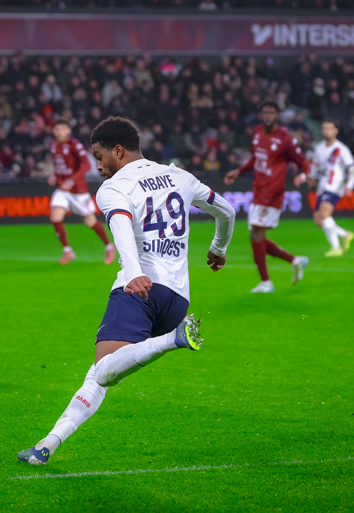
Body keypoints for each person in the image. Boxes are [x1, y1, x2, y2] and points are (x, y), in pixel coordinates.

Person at [17, 117, 236, 465]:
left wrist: (133, 272)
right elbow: (227, 210)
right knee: (99, 374)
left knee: (103, 371)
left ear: (118, 150)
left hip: (140, 292)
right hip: (177, 298)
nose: (97, 164)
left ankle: (173, 340)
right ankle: (47, 444)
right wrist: (219, 248)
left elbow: (120, 226)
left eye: (99, 155)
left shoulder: (114, 187)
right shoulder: (180, 176)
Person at [224, 101, 310, 293]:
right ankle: (294, 260)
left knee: (255, 234)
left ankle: (266, 282)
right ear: (261, 115)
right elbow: (256, 158)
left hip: (273, 192)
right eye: (265, 112)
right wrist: (238, 171)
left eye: (272, 112)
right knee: (257, 237)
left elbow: (302, 161)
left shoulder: (285, 138)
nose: (268, 115)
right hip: (259, 190)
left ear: (277, 115)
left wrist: (305, 176)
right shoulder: (257, 132)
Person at [48, 120, 116, 265]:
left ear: (68, 131)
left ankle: (109, 246)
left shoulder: (75, 145)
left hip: (78, 190)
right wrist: (56, 175)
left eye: (63, 129)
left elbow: (86, 165)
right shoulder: (54, 145)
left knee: (90, 221)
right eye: (57, 129)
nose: (60, 132)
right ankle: (67, 250)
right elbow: (60, 165)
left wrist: (72, 180)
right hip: (62, 188)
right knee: (55, 216)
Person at [295, 119, 354, 257]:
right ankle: (344, 234)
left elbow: (353, 169)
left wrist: (349, 186)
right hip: (323, 185)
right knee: (318, 220)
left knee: (324, 214)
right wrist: (304, 177)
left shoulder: (341, 149)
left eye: (329, 128)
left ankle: (336, 248)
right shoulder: (319, 148)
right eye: (324, 128)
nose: (326, 131)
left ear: (336, 131)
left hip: (335, 185)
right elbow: (316, 169)